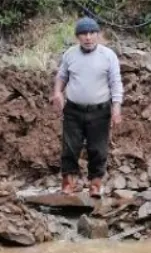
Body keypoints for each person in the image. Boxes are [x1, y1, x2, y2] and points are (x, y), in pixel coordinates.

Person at [52, 17, 124, 198]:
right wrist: (57, 93)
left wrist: (116, 107)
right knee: (70, 147)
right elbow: (62, 76)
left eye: (92, 33)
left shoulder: (108, 56)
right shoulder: (70, 54)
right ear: (78, 37)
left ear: (98, 35)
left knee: (98, 149)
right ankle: (68, 183)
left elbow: (116, 83)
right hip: (73, 110)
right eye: (84, 34)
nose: (88, 37)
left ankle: (95, 184)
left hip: (100, 111)